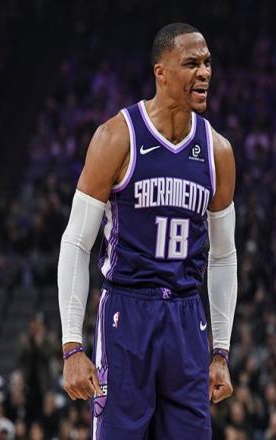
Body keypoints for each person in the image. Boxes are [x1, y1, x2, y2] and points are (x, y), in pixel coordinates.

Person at [57, 22, 238, 439]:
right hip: (127, 313)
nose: (204, 73)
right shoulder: (116, 136)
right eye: (191, 63)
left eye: (207, 63)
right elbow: (77, 242)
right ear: (161, 72)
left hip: (187, 317)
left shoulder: (218, 151)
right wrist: (72, 346)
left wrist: (221, 351)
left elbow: (224, 255)